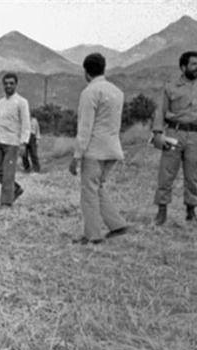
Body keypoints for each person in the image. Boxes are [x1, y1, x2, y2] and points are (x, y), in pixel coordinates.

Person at [69, 53, 128, 245]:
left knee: (89, 192)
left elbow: (85, 127)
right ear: (104, 68)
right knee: (98, 187)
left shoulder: (89, 92)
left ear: (86, 72)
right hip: (112, 147)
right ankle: (117, 224)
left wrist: (77, 155)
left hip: (94, 150)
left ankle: (92, 235)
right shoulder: (117, 91)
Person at [151, 50, 197, 225]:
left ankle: (191, 212)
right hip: (174, 134)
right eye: (194, 64)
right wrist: (158, 133)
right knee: (166, 173)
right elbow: (160, 111)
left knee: (193, 174)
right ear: (183, 67)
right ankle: (161, 212)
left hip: (196, 135)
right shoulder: (170, 87)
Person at [0, 73, 31, 207]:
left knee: (8, 174)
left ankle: (6, 203)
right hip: (0, 141)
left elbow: (26, 124)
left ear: (16, 84)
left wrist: (24, 142)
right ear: (3, 85)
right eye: (6, 83)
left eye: (11, 83)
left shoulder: (22, 102)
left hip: (13, 143)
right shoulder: (0, 102)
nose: (8, 86)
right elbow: (0, 120)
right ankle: (15, 189)